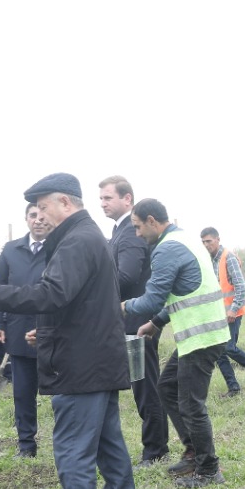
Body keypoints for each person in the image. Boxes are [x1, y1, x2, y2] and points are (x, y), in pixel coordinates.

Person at [0, 172, 137, 489]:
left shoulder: (77, 241)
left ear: (65, 202)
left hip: (81, 365)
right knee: (107, 442)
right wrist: (48, 331)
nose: (39, 215)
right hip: (95, 357)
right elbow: (80, 303)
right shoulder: (86, 237)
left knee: (73, 448)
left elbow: (51, 294)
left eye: (43, 206)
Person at [125, 199, 229, 488]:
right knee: (168, 387)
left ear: (152, 220)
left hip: (201, 336)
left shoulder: (167, 249)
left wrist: (121, 306)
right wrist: (156, 323)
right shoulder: (184, 238)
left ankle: (209, 471)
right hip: (202, 333)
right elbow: (184, 291)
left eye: (138, 227)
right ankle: (194, 452)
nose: (137, 234)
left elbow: (152, 299)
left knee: (191, 403)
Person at [100, 175, 167, 466]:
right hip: (129, 319)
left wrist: (95, 291)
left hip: (137, 321)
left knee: (144, 384)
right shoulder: (120, 231)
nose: (102, 203)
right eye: (100, 198)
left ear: (127, 199)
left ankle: (155, 450)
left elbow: (126, 276)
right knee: (141, 382)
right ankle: (155, 447)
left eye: (108, 198)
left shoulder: (129, 231)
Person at [0, 206, 52, 457]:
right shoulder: (11, 250)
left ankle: (68, 443)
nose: (38, 220)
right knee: (23, 393)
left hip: (53, 332)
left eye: (42, 216)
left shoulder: (60, 247)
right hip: (19, 332)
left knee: (61, 394)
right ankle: (26, 445)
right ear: (26, 219)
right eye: (33, 216)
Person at [200, 226, 245, 396]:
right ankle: (233, 387)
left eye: (209, 241)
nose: (206, 245)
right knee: (218, 351)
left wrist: (233, 310)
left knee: (228, 347)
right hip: (219, 313)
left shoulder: (228, 257)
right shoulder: (209, 260)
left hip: (233, 312)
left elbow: (240, 286)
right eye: (203, 242)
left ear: (218, 240)